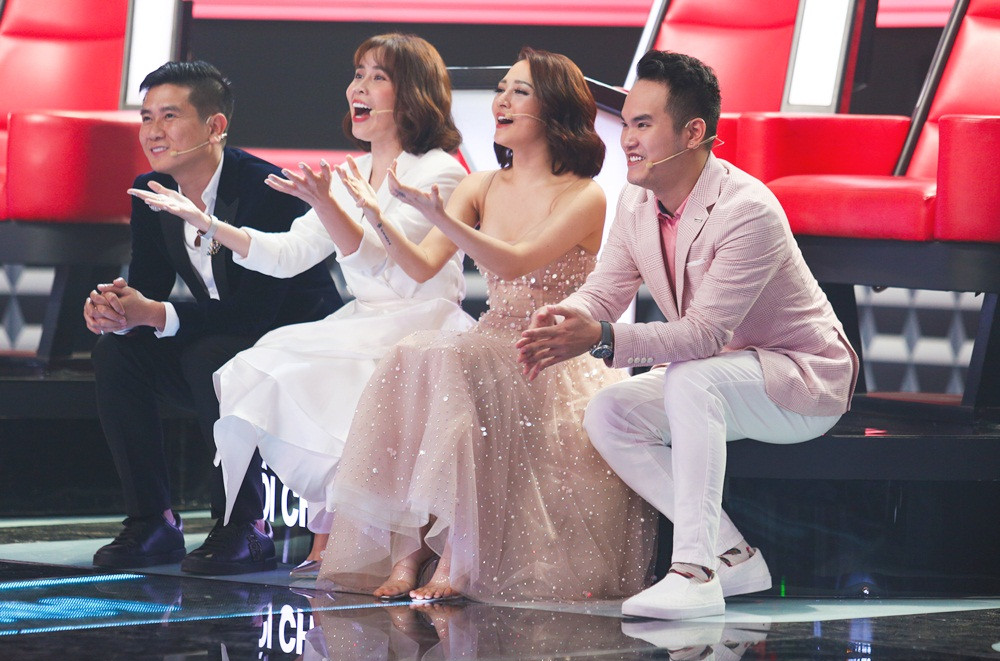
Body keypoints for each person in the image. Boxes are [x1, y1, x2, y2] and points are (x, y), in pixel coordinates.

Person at [516, 50, 859, 620]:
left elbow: (702, 335)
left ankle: (694, 573)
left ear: (693, 132)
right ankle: (732, 555)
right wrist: (564, 317)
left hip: (800, 381)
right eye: (626, 124)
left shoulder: (747, 209)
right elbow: (605, 291)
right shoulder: (636, 201)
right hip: (723, 373)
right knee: (610, 412)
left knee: (692, 377)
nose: (627, 139)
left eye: (643, 124)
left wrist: (602, 337)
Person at [317, 48, 657, 603]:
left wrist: (437, 215)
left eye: (519, 91)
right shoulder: (482, 186)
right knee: (417, 353)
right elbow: (421, 266)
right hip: (491, 338)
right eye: (501, 89)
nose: (502, 101)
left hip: (549, 352)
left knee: (452, 360)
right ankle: (409, 554)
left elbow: (514, 261)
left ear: (555, 108)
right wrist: (379, 218)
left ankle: (455, 558)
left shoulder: (585, 194)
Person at [128, 34, 473, 578]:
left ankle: (372, 545)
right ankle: (315, 536)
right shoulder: (352, 171)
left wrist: (333, 207)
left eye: (377, 77)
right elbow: (286, 254)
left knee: (335, 376)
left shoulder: (440, 172)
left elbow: (397, 269)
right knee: (265, 366)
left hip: (421, 322)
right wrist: (208, 224)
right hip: (364, 322)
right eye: (357, 74)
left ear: (413, 94)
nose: (358, 88)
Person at [85, 61, 343, 574]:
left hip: (296, 349)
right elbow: (150, 289)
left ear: (214, 126)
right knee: (118, 351)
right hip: (227, 340)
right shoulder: (151, 187)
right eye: (146, 118)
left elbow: (254, 313)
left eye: (170, 116)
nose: (153, 132)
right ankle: (152, 522)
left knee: (212, 356)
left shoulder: (266, 188)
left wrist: (155, 313)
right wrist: (117, 310)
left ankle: (245, 525)